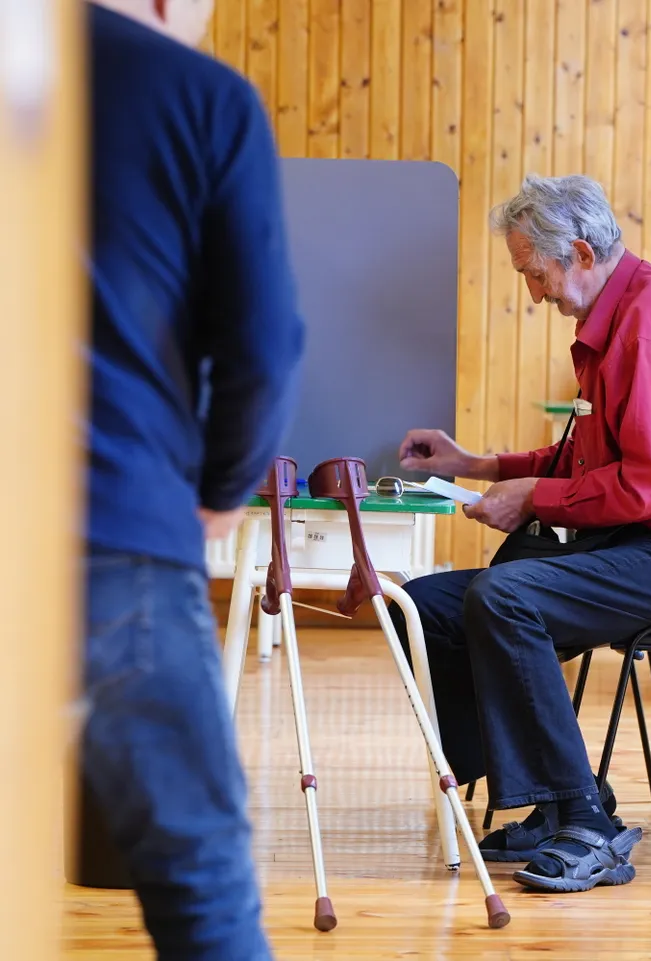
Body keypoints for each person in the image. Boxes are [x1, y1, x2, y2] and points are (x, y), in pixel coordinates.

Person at [392, 173, 651, 893]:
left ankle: (587, 821)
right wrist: (482, 464)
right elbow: (588, 458)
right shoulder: (619, 317)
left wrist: (534, 499)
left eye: (535, 273)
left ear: (580, 254)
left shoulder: (648, 323)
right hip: (644, 546)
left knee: (504, 596)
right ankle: (554, 798)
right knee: (422, 605)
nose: (535, 293)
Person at [83, 1, 304, 958]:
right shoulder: (200, 96)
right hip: (113, 526)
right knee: (200, 878)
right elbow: (264, 347)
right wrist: (219, 491)